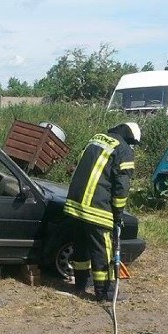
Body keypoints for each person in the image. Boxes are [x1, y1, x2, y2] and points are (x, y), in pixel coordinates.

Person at [64, 122, 141, 302]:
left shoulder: (95, 139)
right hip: (97, 208)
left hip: (75, 205)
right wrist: (118, 214)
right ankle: (104, 292)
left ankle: (81, 284)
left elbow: (77, 167)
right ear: (130, 138)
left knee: (81, 246)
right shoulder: (123, 150)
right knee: (103, 251)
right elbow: (121, 188)